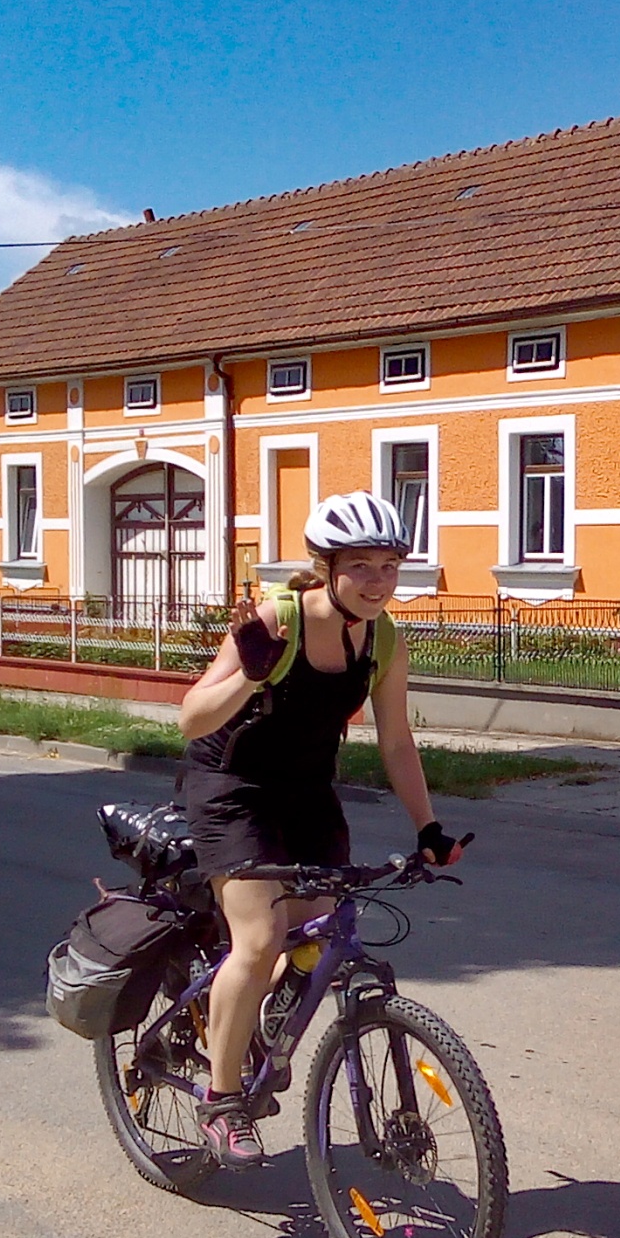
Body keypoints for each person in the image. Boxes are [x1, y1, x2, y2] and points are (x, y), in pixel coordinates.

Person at [176, 490, 467, 1169]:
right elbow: (191, 718)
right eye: (360, 566)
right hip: (233, 787)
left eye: (390, 566)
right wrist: (250, 674)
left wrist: (428, 826)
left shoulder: (383, 638)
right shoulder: (278, 620)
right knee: (259, 936)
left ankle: (255, 1018)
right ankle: (222, 1100)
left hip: (306, 789)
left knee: (323, 928)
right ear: (328, 568)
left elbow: (396, 741)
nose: (378, 582)